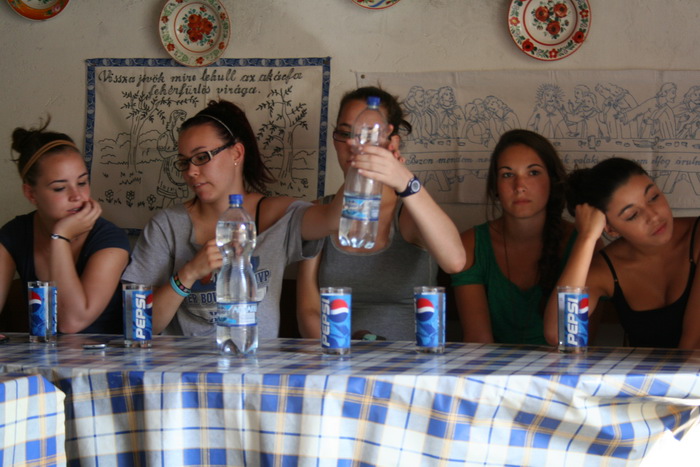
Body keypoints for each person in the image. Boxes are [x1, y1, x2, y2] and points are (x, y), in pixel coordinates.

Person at [122, 99, 343, 338]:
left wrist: (359, 163)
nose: (191, 172)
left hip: (257, 359)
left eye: (202, 157)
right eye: (184, 162)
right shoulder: (167, 225)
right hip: (186, 361)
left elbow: (334, 220)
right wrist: (189, 273)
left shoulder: (278, 215)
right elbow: (138, 325)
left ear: (237, 153)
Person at [295, 86, 466, 341]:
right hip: (337, 356)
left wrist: (405, 181)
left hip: (409, 359)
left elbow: (455, 262)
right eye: (345, 134)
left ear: (392, 142)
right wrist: (341, 353)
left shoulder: (408, 212)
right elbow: (308, 310)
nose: (354, 145)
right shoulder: (319, 213)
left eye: (368, 135)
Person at [544, 157, 700, 349]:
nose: (654, 216)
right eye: (632, 215)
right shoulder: (606, 269)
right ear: (609, 228)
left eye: (654, 197)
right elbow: (559, 334)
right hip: (644, 370)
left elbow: (694, 344)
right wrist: (586, 237)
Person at [0, 119, 130, 333]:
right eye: (60, 188)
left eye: (82, 182)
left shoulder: (110, 239)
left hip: (107, 354)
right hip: (41, 353)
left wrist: (60, 238)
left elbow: (71, 322)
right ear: (31, 194)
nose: (77, 196)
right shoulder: (14, 234)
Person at [451, 129, 578, 345]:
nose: (519, 187)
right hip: (491, 365)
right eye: (508, 175)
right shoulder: (471, 245)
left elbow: (578, 341)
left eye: (533, 173)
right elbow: (478, 341)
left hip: (562, 365)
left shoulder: (580, 243)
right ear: (495, 187)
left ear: (553, 180)